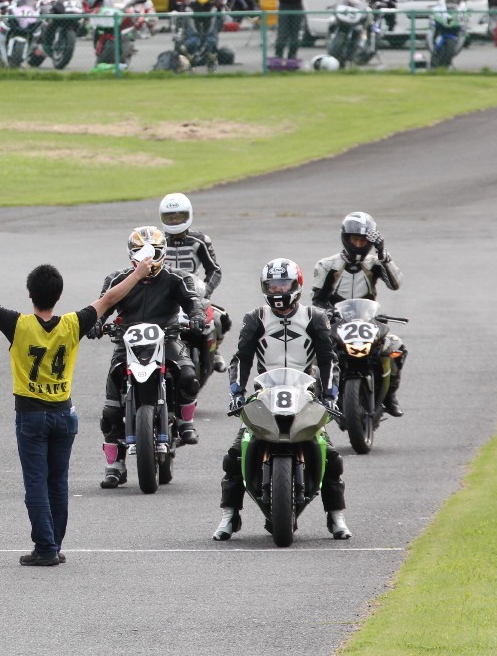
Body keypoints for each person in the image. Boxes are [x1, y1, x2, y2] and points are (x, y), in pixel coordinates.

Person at [0, 243, 155, 566]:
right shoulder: (73, 323)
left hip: (31, 416)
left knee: (36, 484)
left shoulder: (18, 324)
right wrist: (138, 272)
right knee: (58, 483)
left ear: (30, 295)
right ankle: (54, 543)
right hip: (64, 414)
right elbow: (109, 299)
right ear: (59, 296)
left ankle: (46, 548)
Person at [215, 258, 350, 541]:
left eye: (284, 284)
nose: (278, 290)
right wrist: (237, 394)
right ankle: (229, 515)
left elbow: (329, 360)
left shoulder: (314, 317)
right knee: (235, 454)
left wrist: (330, 397)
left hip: (306, 394)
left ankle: (336, 516)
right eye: (272, 285)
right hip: (265, 394)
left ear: (297, 285)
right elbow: (241, 358)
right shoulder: (255, 317)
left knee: (331, 456)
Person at [88, 227, 206, 489]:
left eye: (153, 252)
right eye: (141, 253)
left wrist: (197, 316)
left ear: (163, 253)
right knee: (110, 409)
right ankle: (115, 465)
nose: (147, 258)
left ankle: (185, 422)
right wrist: (95, 322)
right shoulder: (116, 279)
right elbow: (103, 305)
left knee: (189, 376)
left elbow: (192, 301)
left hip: (167, 338)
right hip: (126, 343)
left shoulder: (178, 278)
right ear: (131, 254)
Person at [312, 211, 406, 416]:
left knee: (396, 346)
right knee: (313, 352)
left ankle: (390, 396)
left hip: (367, 321)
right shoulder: (327, 265)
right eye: (355, 239)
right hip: (336, 323)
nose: (358, 244)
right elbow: (317, 299)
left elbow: (395, 284)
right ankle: (317, 396)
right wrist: (327, 313)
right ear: (346, 238)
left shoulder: (375, 263)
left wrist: (383, 254)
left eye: (363, 241)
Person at [159, 192, 227, 374]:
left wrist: (206, 291)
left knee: (221, 319)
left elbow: (214, 270)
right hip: (164, 295)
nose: (174, 221)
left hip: (194, 293)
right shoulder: (157, 241)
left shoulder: (200, 241)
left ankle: (215, 351)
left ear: (188, 215)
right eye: (170, 217)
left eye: (179, 216)